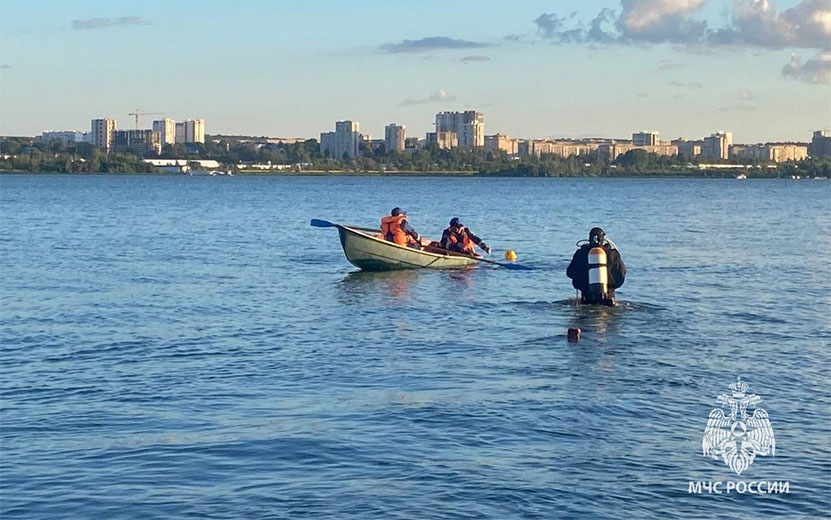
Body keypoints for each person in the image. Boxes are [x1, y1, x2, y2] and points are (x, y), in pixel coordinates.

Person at [566, 227, 626, 306]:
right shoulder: (613, 253)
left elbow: (570, 273)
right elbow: (621, 274)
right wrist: (610, 287)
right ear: (603, 238)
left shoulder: (581, 253)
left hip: (586, 298)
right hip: (608, 299)